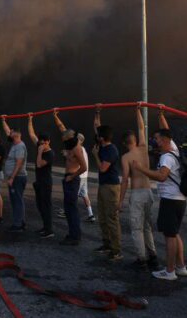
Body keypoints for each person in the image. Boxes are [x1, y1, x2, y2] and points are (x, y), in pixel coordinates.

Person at [132, 128, 187, 280]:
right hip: (179, 199)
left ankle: (169, 271)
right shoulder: (175, 150)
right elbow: (168, 131)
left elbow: (162, 176)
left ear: (163, 140)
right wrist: (162, 114)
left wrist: (140, 168)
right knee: (174, 233)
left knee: (170, 236)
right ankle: (181, 267)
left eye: (156, 139)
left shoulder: (166, 158)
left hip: (170, 199)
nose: (155, 141)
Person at [119, 105, 158, 270]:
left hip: (136, 194)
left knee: (137, 228)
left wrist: (120, 201)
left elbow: (125, 180)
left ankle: (142, 259)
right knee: (147, 226)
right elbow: (142, 127)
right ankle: (153, 255)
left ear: (124, 142)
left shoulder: (126, 157)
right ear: (135, 139)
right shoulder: (143, 149)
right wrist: (137, 111)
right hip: (148, 192)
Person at [92, 106, 122, 261]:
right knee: (102, 216)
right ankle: (106, 244)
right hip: (103, 186)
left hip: (110, 187)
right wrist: (97, 113)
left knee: (111, 218)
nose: (96, 136)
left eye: (98, 136)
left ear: (102, 138)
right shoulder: (103, 144)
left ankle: (116, 250)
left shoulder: (111, 150)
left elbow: (103, 168)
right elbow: (97, 127)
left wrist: (96, 156)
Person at [53, 111, 95, 222]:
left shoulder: (77, 149)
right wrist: (55, 116)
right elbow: (62, 128)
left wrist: (72, 176)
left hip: (78, 175)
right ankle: (91, 214)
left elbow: (82, 165)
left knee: (73, 196)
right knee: (84, 194)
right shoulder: (79, 148)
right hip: (83, 176)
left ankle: (68, 212)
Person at [28, 114, 55, 238]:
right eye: (41, 141)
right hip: (39, 182)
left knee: (46, 206)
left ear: (48, 142)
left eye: (44, 141)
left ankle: (49, 230)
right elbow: (32, 134)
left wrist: (39, 152)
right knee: (40, 205)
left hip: (46, 183)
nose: (42, 143)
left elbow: (39, 165)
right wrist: (30, 119)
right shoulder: (39, 145)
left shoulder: (50, 154)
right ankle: (45, 227)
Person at [2, 116, 28, 232]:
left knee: (17, 201)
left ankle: (18, 225)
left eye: (11, 133)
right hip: (16, 177)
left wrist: (12, 177)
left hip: (17, 178)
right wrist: (3, 121)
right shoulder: (15, 143)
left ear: (16, 134)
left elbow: (19, 163)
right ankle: (20, 221)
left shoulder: (20, 146)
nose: (9, 134)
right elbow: (7, 131)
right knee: (18, 200)